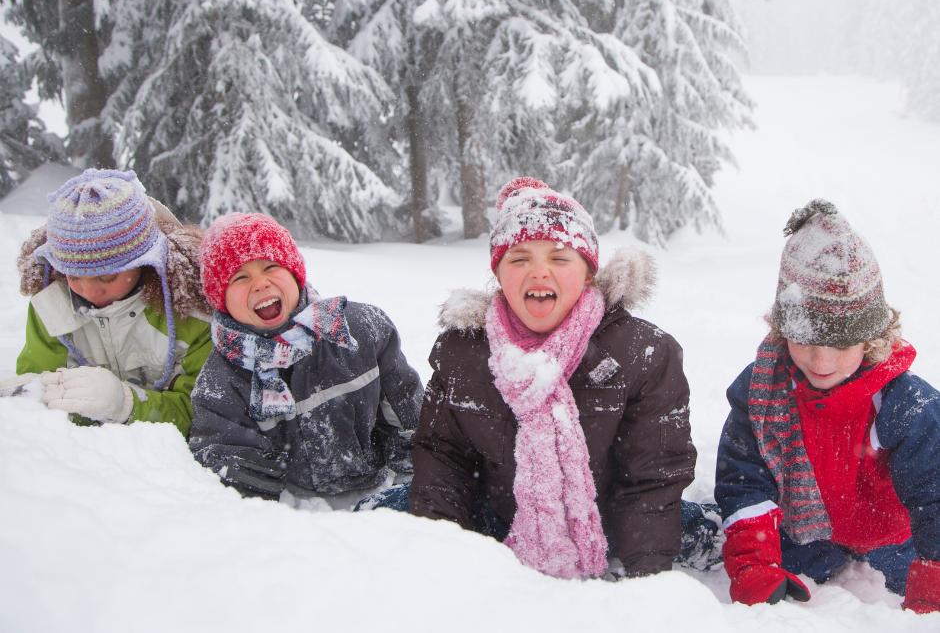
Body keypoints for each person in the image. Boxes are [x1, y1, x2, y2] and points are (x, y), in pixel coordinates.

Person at [409, 177, 696, 579]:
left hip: (612, 531)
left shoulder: (641, 352)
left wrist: (647, 579)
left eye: (560, 258)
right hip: (500, 523)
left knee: (700, 529)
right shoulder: (463, 353)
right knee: (384, 520)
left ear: (588, 274)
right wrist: (438, 557)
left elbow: (652, 477)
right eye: (519, 258)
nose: (539, 272)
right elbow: (443, 460)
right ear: (498, 274)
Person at [715, 199, 940, 613]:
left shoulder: (905, 403)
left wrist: (933, 585)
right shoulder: (763, 390)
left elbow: (935, 495)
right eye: (804, 342)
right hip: (804, 538)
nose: (821, 362)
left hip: (893, 546)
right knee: (712, 532)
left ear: (871, 338)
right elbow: (744, 481)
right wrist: (755, 566)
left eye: (840, 345)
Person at [188, 213, 423, 506]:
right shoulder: (221, 381)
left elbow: (409, 417)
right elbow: (237, 477)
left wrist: (415, 489)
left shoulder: (359, 330)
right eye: (240, 277)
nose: (260, 284)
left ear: (295, 274)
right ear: (220, 300)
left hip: (380, 493)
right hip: (298, 518)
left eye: (271, 266)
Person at [15, 168, 212, 436]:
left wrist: (127, 405)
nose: (90, 292)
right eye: (74, 275)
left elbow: (207, 415)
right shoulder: (51, 309)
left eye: (106, 277)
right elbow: (40, 403)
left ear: (147, 262)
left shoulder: (192, 314)